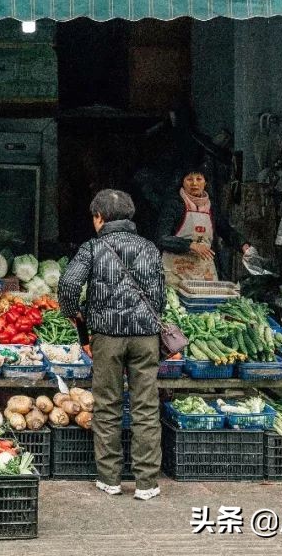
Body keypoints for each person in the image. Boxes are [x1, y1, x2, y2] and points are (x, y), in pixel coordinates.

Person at [58, 189, 165, 501]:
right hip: (146, 336)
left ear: (98, 218)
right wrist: (148, 319)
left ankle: (110, 479)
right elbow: (160, 293)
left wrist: (74, 316)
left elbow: (68, 284)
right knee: (146, 406)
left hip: (107, 336)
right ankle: (147, 483)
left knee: (108, 406)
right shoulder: (150, 248)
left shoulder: (93, 247)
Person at [157, 167, 249, 286]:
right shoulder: (174, 204)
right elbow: (162, 238)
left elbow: (226, 230)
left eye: (199, 179)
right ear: (182, 182)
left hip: (203, 269)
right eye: (189, 179)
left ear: (205, 182)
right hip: (176, 268)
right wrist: (190, 245)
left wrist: (242, 244)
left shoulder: (211, 206)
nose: (194, 183)